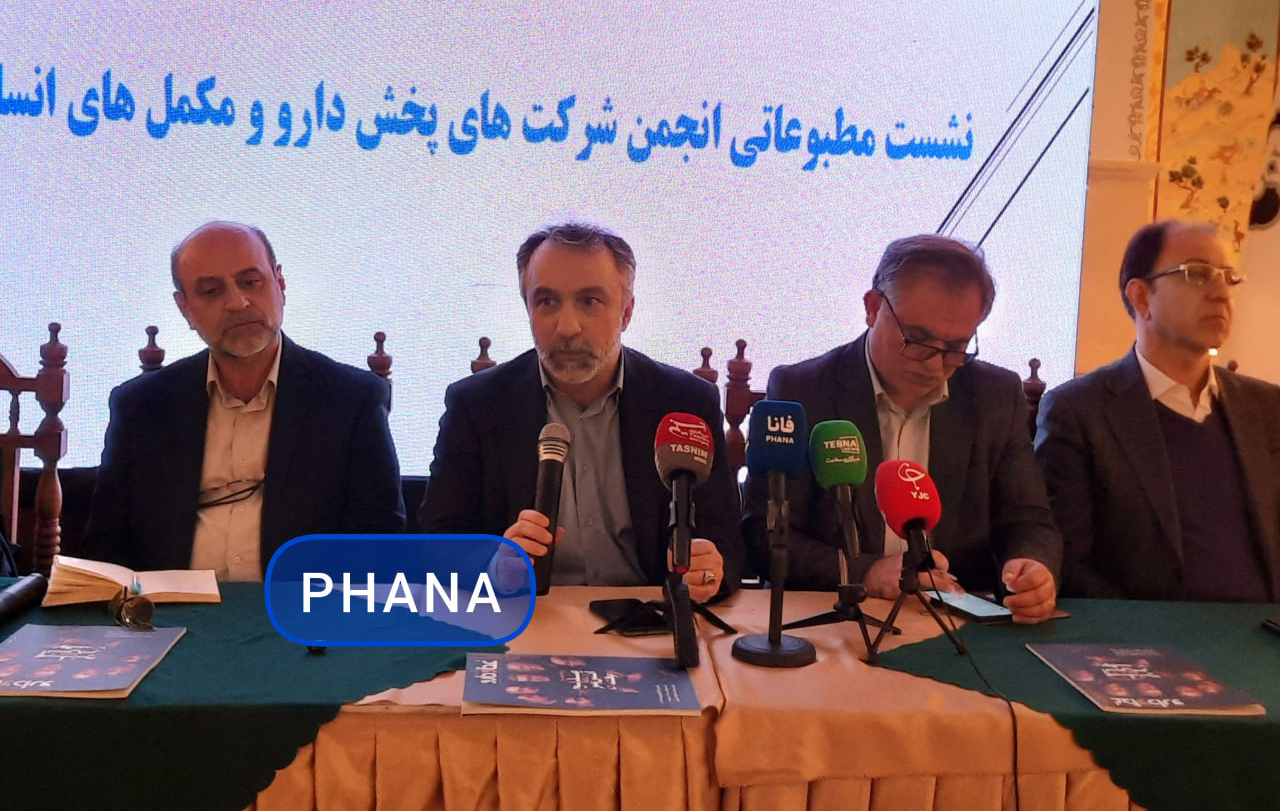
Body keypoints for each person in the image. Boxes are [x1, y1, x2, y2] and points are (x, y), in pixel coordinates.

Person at [743, 234, 1061, 623]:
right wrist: (866, 572)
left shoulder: (994, 396)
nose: (935, 364)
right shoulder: (803, 390)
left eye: (956, 347)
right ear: (873, 308)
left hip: (955, 621)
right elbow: (766, 534)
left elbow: (1028, 520)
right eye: (918, 340)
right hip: (836, 618)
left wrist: (1032, 568)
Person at [419, 222, 743, 602]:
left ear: (626, 312)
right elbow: (435, 548)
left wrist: (709, 570)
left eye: (589, 301)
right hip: (528, 615)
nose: (568, 327)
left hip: (650, 617)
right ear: (527, 309)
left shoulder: (685, 402)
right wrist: (493, 569)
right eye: (547, 302)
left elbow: (726, 544)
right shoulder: (477, 405)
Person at [82, 221, 405, 578]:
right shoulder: (141, 406)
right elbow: (106, 552)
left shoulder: (350, 400)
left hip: (299, 608)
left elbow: (377, 545)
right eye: (211, 291)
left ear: (280, 284)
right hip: (167, 610)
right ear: (185, 308)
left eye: (251, 282)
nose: (237, 303)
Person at [1034, 220, 1280, 601]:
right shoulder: (1078, 411)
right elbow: (1066, 562)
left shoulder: (1267, 408)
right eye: (1198, 274)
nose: (1221, 293)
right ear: (1141, 297)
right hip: (1144, 632)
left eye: (1229, 278)